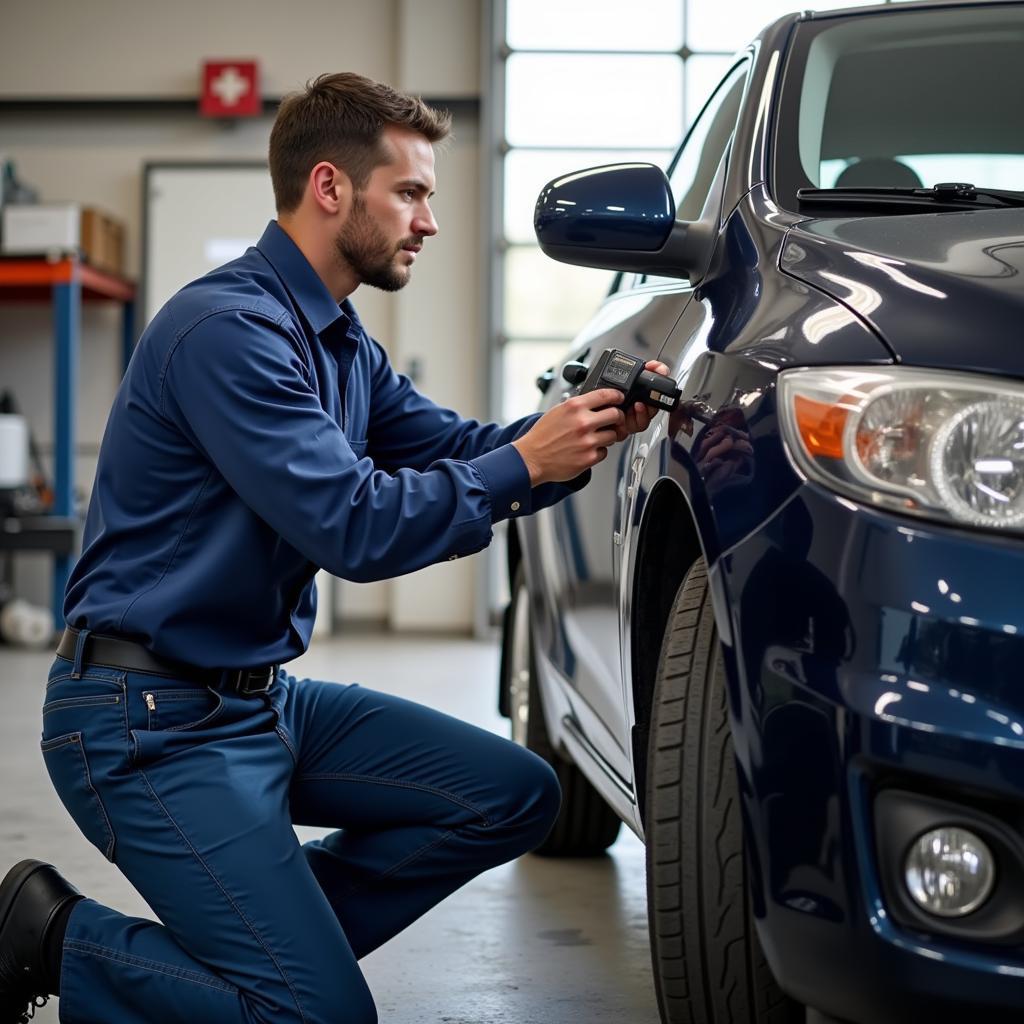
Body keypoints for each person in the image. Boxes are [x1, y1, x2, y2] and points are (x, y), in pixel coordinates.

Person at [0, 72, 667, 1024]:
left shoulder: (341, 343)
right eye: (412, 192)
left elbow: (457, 448)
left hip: (261, 701)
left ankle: (259, 953)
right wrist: (525, 463)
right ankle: (55, 937)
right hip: (143, 721)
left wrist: (584, 428)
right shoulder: (230, 331)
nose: (428, 221)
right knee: (319, 1017)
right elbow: (353, 524)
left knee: (514, 794)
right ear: (330, 188)